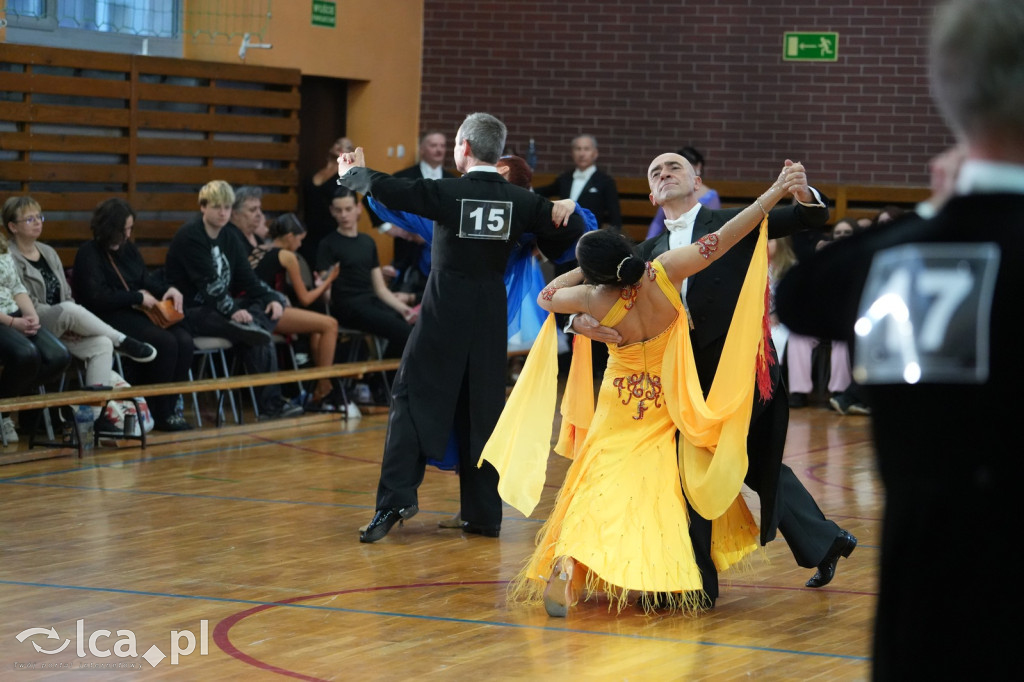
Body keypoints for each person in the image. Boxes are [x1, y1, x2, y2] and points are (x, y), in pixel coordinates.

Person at [776, 1, 1022, 677]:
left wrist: (932, 214)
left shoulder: (893, 256)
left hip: (925, 618)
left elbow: (803, 292)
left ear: (949, 90)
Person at [482, 162, 805, 616]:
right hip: (666, 398)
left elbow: (546, 295)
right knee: (658, 488)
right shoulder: (665, 269)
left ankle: (571, 564)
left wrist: (583, 282)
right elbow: (729, 234)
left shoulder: (595, 298)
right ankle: (660, 574)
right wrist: (772, 194)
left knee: (594, 481)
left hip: (618, 401)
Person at [572, 152, 855, 604]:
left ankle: (699, 585)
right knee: (750, 463)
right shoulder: (643, 253)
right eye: (656, 172)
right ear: (650, 195)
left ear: (697, 180)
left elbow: (808, 216)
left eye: (674, 167)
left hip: (741, 369)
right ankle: (824, 540)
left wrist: (801, 191)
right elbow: (594, 290)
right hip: (688, 378)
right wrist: (579, 323)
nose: (665, 173)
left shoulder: (733, 222)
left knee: (703, 465)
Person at [338, 112, 586, 543]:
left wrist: (353, 174)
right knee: (483, 412)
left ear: (465, 147)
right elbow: (577, 238)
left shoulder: (446, 192)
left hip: (441, 315)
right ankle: (484, 514)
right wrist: (568, 207)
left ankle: (395, 500)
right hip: (490, 320)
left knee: (411, 399)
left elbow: (394, 189)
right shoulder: (524, 203)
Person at [165, 180, 303, 421]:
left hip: (221, 310)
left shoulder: (229, 236)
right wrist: (231, 311)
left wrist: (272, 297)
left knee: (261, 316)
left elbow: (247, 278)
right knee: (254, 332)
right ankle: (270, 405)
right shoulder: (190, 236)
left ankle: (252, 329)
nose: (222, 212)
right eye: (217, 206)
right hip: (191, 310)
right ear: (203, 207)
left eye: (227, 207)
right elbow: (210, 285)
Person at [71, 198, 196, 431]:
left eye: (130, 228)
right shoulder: (89, 253)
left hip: (134, 313)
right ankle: (158, 409)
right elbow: (95, 298)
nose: (128, 234)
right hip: (106, 317)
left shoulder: (128, 250)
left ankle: (170, 406)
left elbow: (144, 280)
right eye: (124, 229)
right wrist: (137, 298)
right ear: (111, 228)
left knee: (184, 340)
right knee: (165, 342)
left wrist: (167, 290)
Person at [316, 188, 415, 405]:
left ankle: (378, 380)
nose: (344, 214)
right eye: (339, 210)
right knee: (402, 331)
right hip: (347, 305)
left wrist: (403, 309)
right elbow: (325, 290)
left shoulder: (367, 242)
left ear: (358, 209)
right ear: (332, 212)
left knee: (411, 328)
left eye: (348, 209)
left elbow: (380, 289)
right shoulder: (328, 244)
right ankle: (381, 383)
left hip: (369, 301)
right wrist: (323, 290)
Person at [251, 212, 340, 410]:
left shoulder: (258, 249)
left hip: (251, 307)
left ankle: (317, 386)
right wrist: (328, 282)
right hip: (267, 311)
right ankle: (323, 386)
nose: (300, 246)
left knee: (319, 330)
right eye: (299, 240)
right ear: (290, 237)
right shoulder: (288, 256)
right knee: (330, 324)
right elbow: (305, 299)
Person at [366, 131, 456, 304]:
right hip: (407, 251)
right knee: (402, 293)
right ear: (422, 149)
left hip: (440, 252)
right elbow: (371, 194)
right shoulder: (403, 176)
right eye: (433, 145)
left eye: (442, 146)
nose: (439, 150)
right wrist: (388, 228)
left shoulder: (452, 181)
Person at [1, 225, 71, 443]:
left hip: (16, 313)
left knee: (59, 356)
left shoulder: (3, 247)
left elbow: (17, 287)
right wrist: (13, 322)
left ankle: (9, 400)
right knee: (26, 355)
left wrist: (31, 315)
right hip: (3, 320)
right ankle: (3, 415)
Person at [786, 219, 857, 409]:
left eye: (847, 233)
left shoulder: (857, 267)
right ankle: (798, 392)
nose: (842, 237)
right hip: (819, 324)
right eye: (839, 233)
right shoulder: (818, 271)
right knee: (797, 337)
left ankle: (839, 391)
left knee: (842, 339)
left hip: (844, 323)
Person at [535, 134, 622, 233]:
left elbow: (615, 216)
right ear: (572, 153)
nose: (582, 153)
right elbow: (545, 191)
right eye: (578, 149)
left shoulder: (606, 181)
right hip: (562, 233)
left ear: (595, 153)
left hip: (590, 235)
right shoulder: (564, 178)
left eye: (586, 149)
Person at [646, 145, 722, 239]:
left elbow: (714, 225)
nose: (664, 174)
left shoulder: (710, 195)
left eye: (676, 167)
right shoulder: (668, 191)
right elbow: (658, 222)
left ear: (698, 166)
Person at [301, 136, 354, 266]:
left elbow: (351, 209)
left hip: (331, 233)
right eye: (338, 143)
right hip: (309, 233)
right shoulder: (315, 172)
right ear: (331, 147)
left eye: (346, 147)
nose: (341, 147)